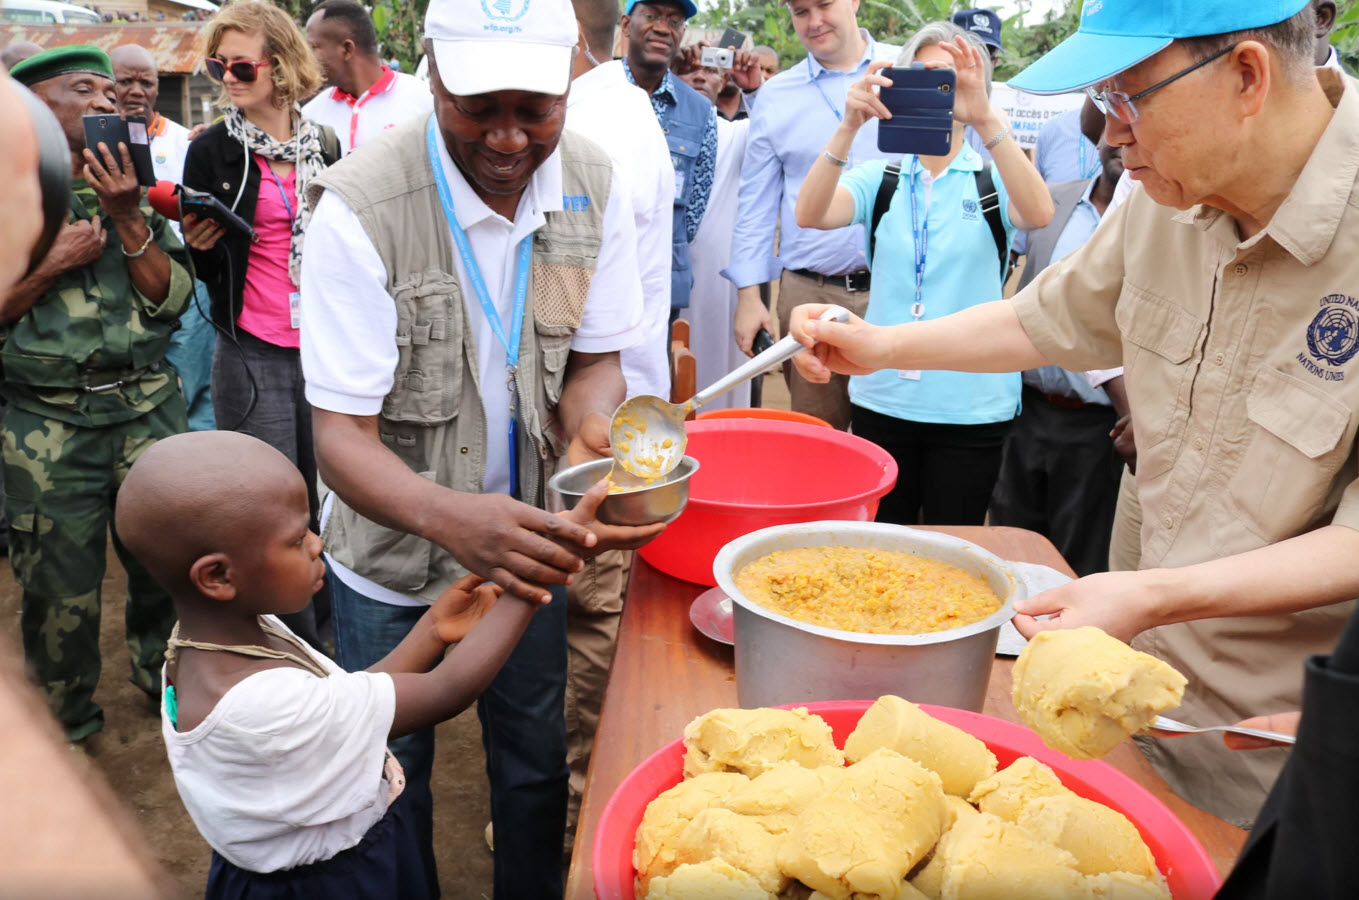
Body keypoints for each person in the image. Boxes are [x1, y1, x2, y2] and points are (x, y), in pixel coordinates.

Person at [788, 0, 1359, 828]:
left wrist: (1154, 596)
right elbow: (1040, 318)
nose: (1109, 134)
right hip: (1121, 706)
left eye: (1128, 97)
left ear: (1245, 75)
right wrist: (877, 345)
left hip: (1263, 755)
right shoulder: (1164, 201)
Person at [298, 0, 662, 894]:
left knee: (533, 767)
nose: (506, 137)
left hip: (526, 543)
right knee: (389, 780)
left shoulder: (592, 180)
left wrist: (587, 437)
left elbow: (594, 361)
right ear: (431, 74)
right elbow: (339, 437)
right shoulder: (360, 208)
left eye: (533, 109)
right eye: (479, 107)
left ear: (573, 78)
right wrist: (451, 520)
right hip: (388, 563)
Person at [118, 431, 609, 897]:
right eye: (296, 540)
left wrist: (434, 629)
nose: (318, 544)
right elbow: (448, 690)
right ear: (218, 575)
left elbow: (348, 697)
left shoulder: (218, 639)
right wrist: (539, 573)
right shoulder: (256, 705)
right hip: (331, 883)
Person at [2, 46, 191, 743]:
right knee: (59, 594)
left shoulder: (132, 190)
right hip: (48, 429)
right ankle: (68, 728)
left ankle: (165, 691)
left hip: (148, 412)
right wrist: (48, 265)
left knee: (166, 573)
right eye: (86, 89)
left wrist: (128, 218)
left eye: (113, 92)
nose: (110, 102)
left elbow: (171, 301)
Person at [794, 24, 1052, 526]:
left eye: (956, 77)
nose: (943, 88)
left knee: (952, 555)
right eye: (929, 75)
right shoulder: (883, 178)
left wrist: (986, 116)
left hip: (972, 406)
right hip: (882, 396)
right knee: (878, 551)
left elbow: (1039, 214)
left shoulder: (992, 176)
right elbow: (811, 213)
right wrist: (849, 125)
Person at [181, 1, 341, 648]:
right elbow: (209, 269)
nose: (227, 76)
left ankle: (335, 633)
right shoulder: (212, 150)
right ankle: (290, 643)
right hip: (253, 351)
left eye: (240, 64)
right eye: (218, 65)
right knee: (271, 507)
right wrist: (198, 245)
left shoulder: (326, 144)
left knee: (332, 497)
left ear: (280, 65)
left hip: (326, 349)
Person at [563, 0, 674, 848]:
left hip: (594, 421)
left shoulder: (599, 121)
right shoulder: (626, 105)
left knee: (586, 614)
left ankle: (575, 806)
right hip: (618, 410)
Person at [726, 0, 899, 431]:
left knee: (900, 439)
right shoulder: (775, 96)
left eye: (824, 4)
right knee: (816, 441)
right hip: (810, 299)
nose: (815, 21)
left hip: (900, 291)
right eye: (801, 11)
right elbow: (756, 204)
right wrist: (749, 297)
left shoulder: (907, 72)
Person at [989, 125, 1130, 576]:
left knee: (1078, 560)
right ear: (1096, 138)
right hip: (1025, 412)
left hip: (1099, 427)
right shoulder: (1051, 200)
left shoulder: (1155, 215)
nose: (1121, 143)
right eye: (1111, 129)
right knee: (1010, 546)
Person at [109, 44, 215, 434]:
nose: (137, 91)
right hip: (123, 279)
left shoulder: (188, 143)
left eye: (146, 82)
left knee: (191, 375)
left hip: (185, 280)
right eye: (125, 81)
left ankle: (189, 468)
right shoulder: (91, 142)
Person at [615, 0, 718, 315]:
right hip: (591, 279)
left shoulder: (700, 113)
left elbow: (690, 219)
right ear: (625, 25)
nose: (662, 27)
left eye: (674, 20)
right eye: (651, 16)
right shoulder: (593, 91)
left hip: (659, 292)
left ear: (682, 33)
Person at [302, 0, 433, 156]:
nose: (307, 57)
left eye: (313, 47)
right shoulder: (311, 116)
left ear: (347, 49)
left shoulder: (424, 101)